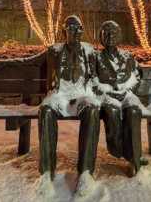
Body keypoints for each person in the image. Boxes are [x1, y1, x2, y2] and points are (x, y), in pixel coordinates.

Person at [38, 15, 101, 191]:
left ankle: (86, 172)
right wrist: (4, 65)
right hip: (59, 96)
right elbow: (32, 61)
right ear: (64, 31)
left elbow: (98, 75)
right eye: (71, 28)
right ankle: (46, 173)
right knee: (46, 110)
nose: (76, 31)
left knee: (92, 110)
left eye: (79, 28)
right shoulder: (54, 51)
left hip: (82, 96)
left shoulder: (89, 51)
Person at [95, 20, 146, 175]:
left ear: (120, 36)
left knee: (134, 111)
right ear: (101, 37)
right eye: (107, 33)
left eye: (114, 33)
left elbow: (137, 77)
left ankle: (134, 160)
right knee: (112, 110)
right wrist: (106, 91)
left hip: (127, 94)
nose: (111, 36)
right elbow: (91, 79)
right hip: (107, 96)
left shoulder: (128, 56)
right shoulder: (95, 57)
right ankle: (118, 149)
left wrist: (128, 90)